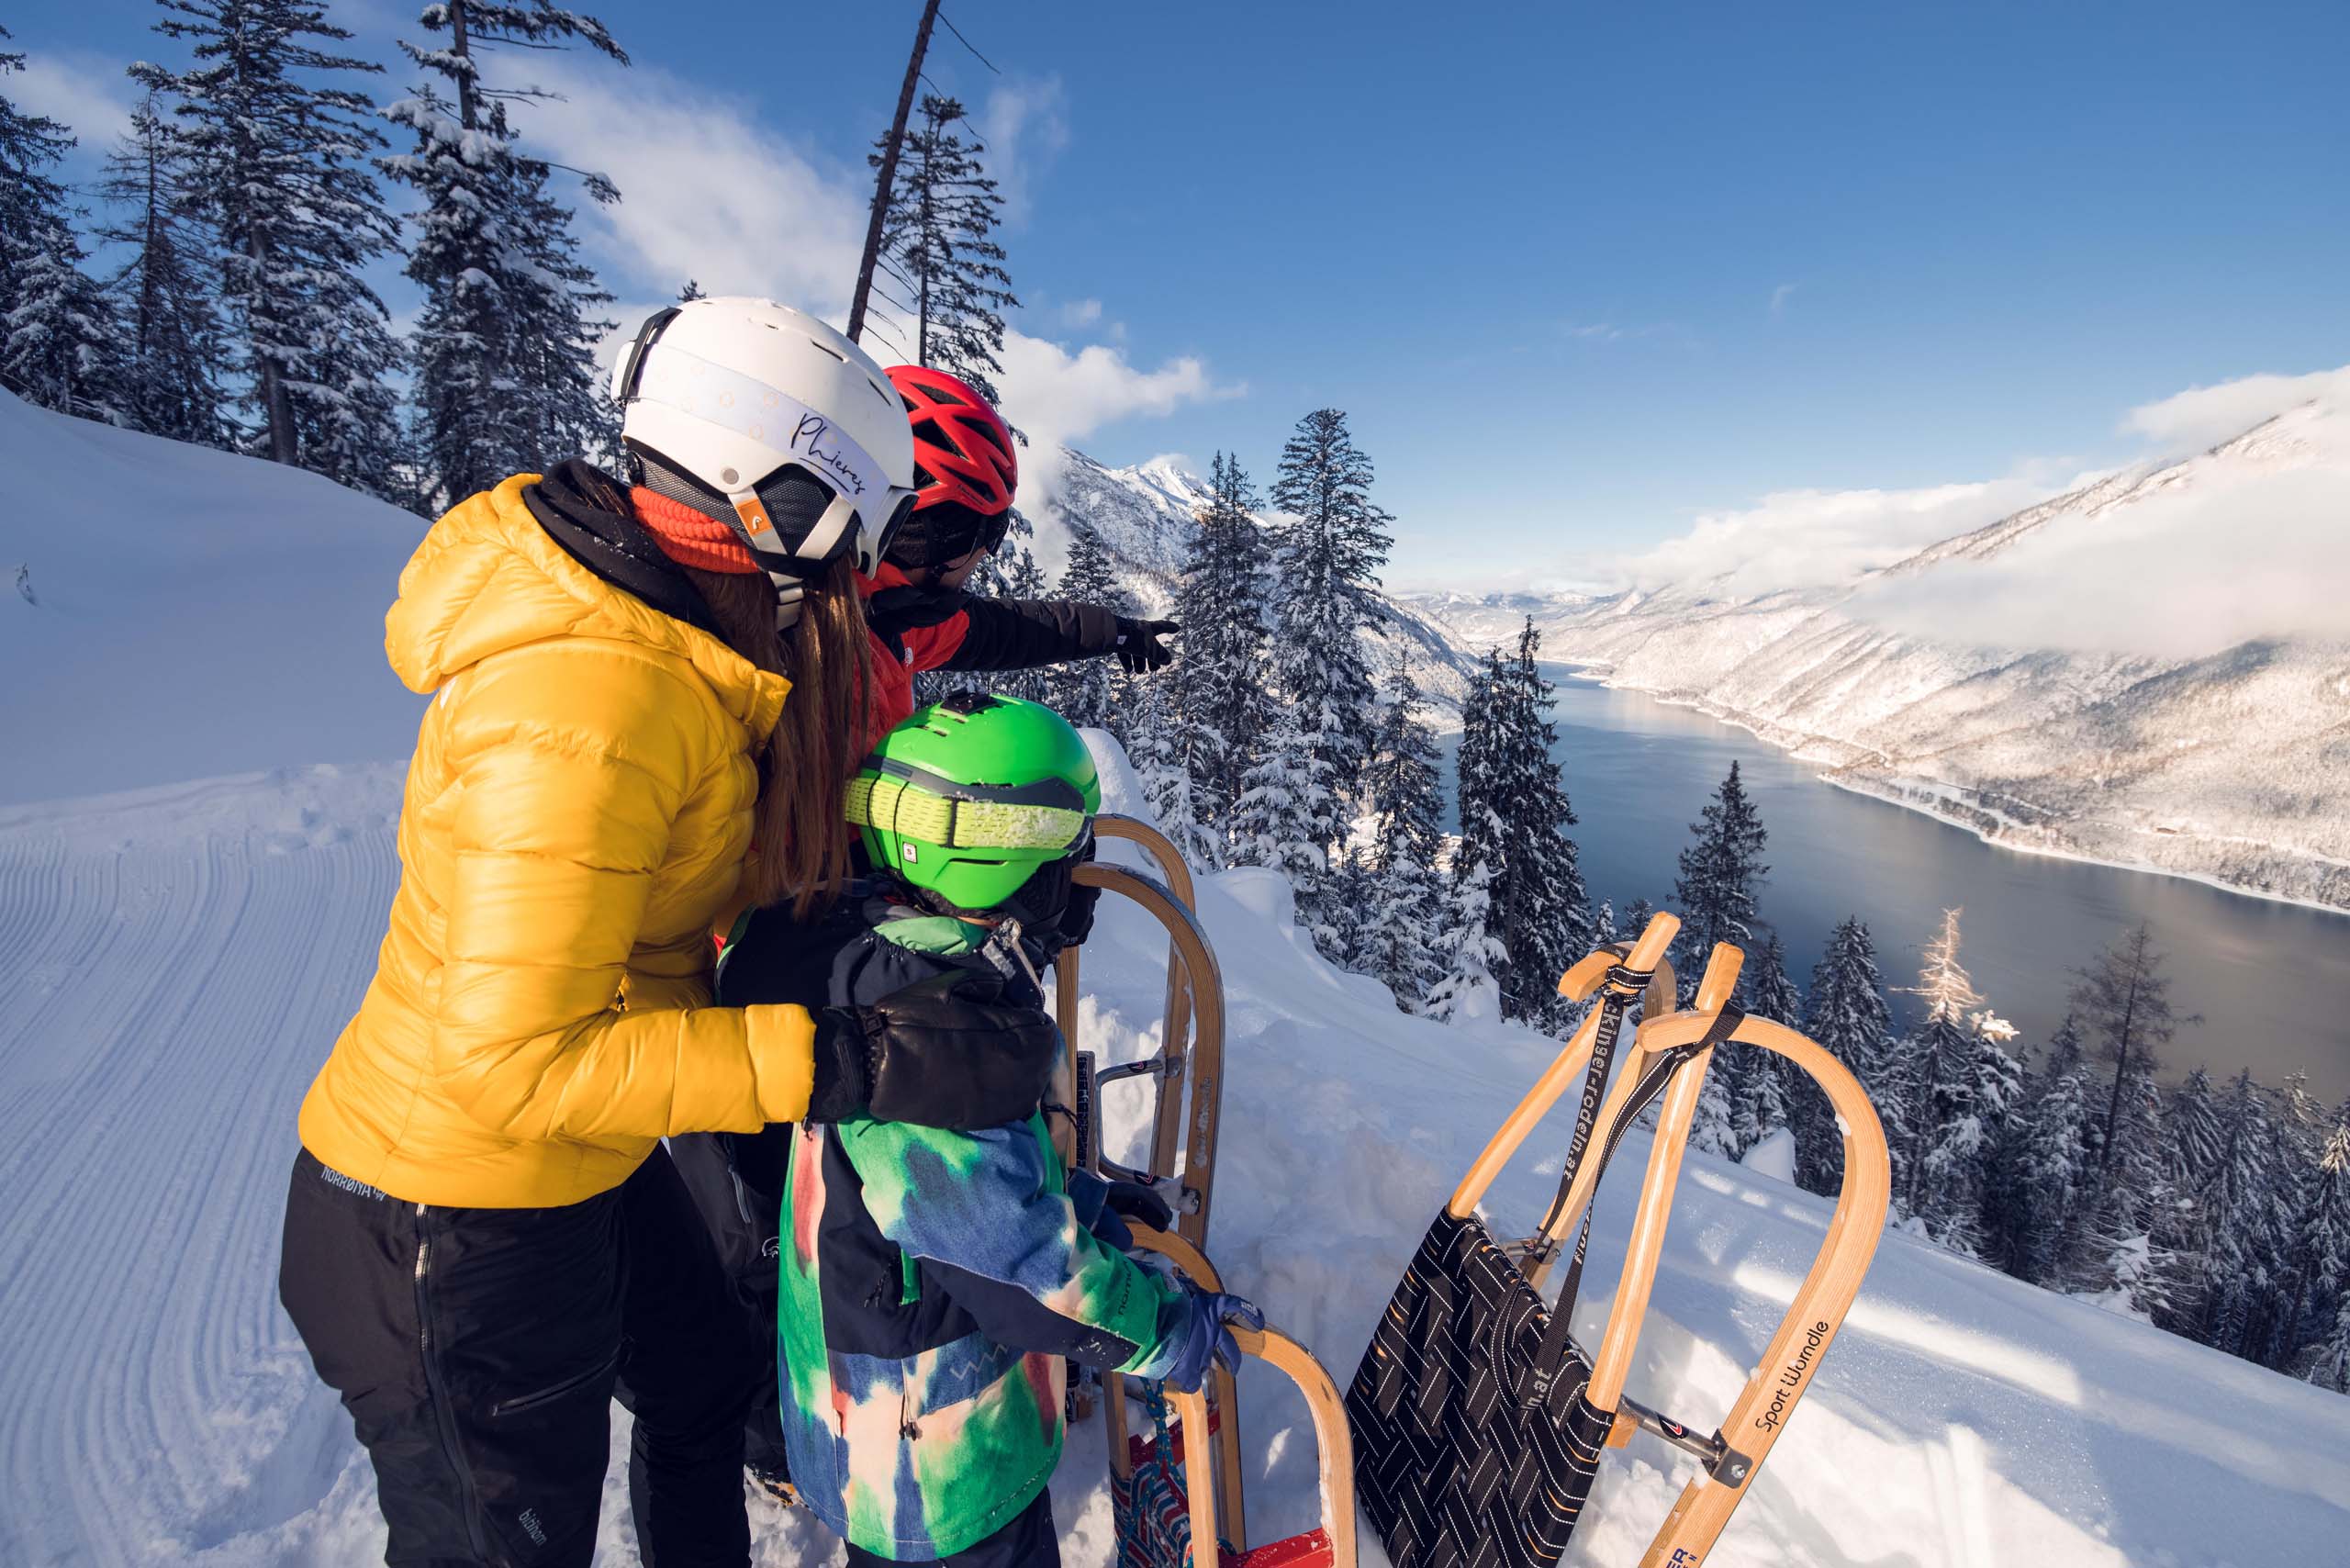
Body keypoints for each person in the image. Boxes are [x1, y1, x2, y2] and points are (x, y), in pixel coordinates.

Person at [277, 298, 1064, 1568]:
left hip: (576, 1164)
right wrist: (842, 1060)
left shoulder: (674, 651)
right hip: (455, 1222)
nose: (859, 583)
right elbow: (514, 1062)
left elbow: (692, 887)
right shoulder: (588, 697)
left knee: (700, 1388)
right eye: (852, 545)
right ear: (783, 507)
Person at [666, 362, 1178, 1494]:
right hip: (764, 961)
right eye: (973, 536)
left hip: (848, 934)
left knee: (886, 1164)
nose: (980, 562)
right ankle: (784, 1434)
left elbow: (986, 629)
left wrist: (1102, 631)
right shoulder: (783, 646)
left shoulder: (888, 615)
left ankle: (988, 1272)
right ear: (920, 524)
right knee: (773, 1216)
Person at [719, 691, 1261, 1565]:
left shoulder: (866, 972)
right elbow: (1026, 1275)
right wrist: (1165, 1327)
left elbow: (968, 1206)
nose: (1079, 898)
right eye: (1073, 870)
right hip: (933, 1464)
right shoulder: (929, 1043)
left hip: (882, 1404)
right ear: (1019, 876)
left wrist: (1076, 1197)